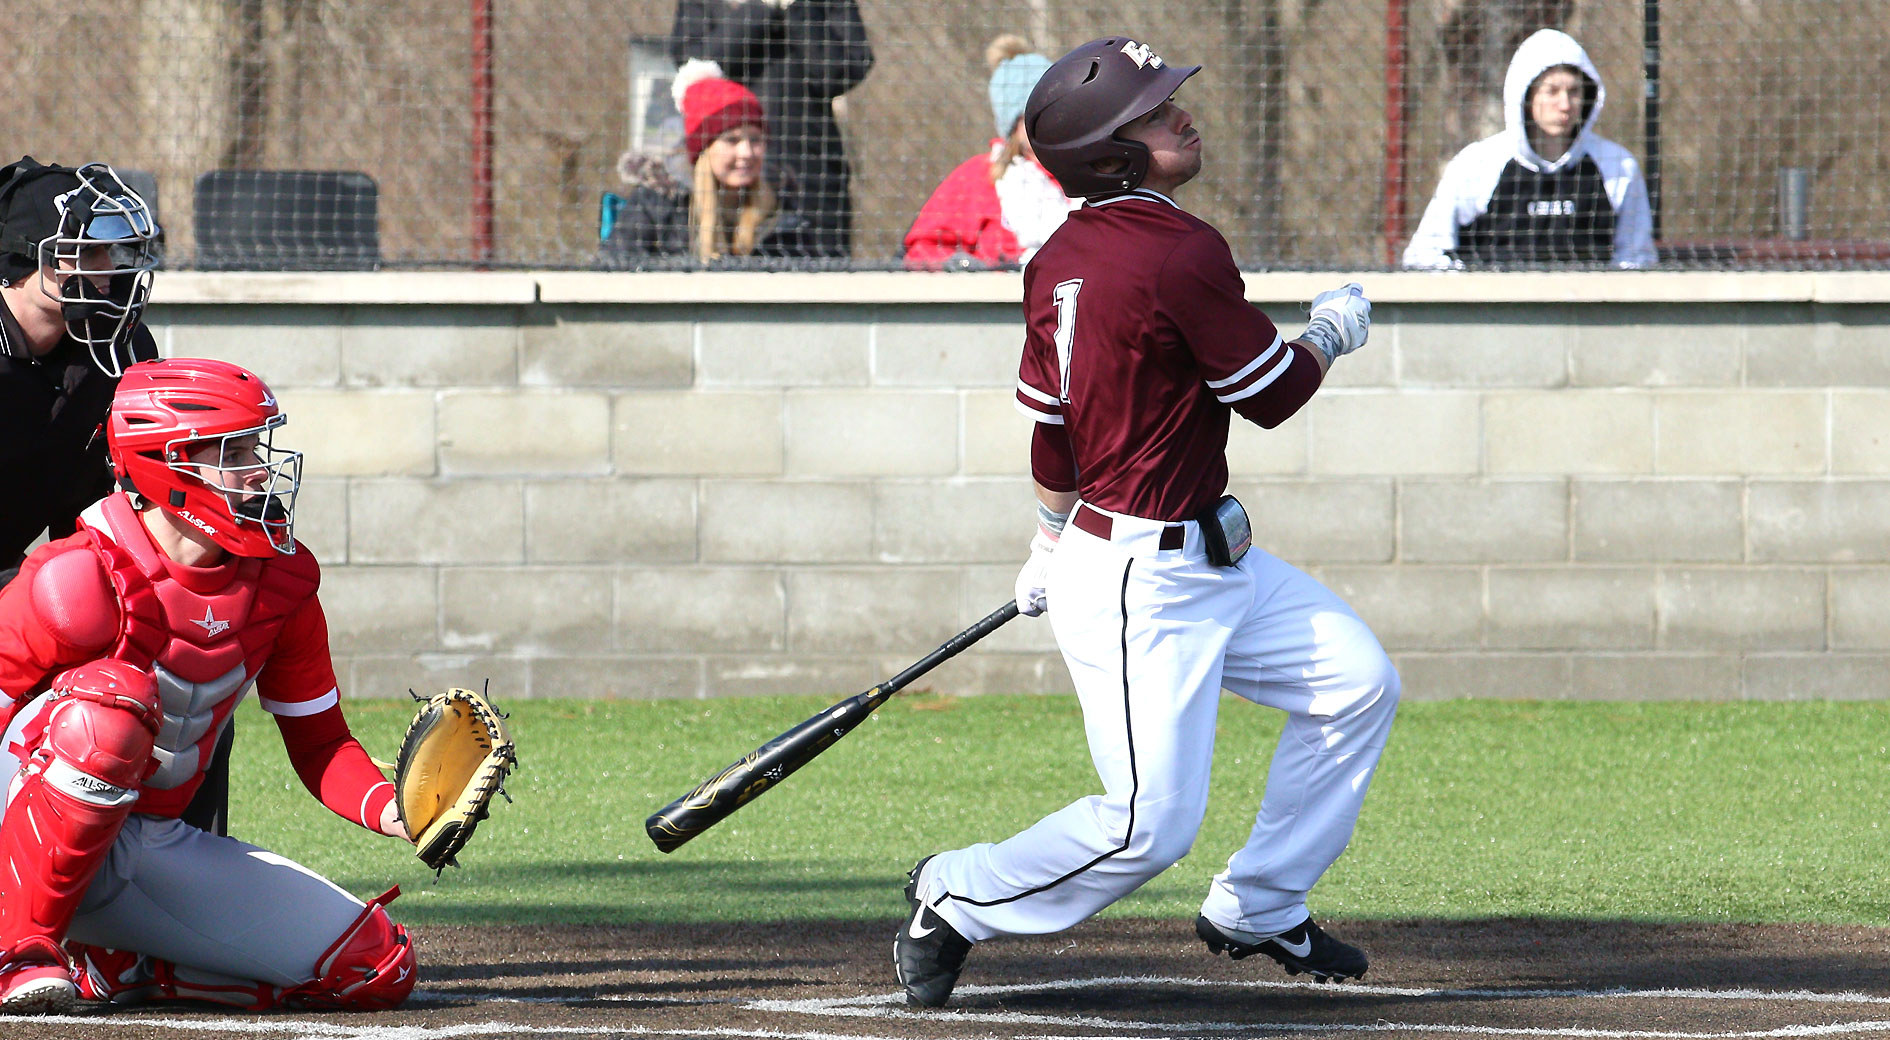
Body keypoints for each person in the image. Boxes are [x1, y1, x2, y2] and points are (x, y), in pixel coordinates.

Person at [892, 36, 1401, 1009]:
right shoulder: (1181, 251)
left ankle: (1261, 900)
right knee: (1143, 827)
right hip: (1141, 579)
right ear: (1112, 154)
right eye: (1157, 113)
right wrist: (1332, 329)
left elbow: (1051, 439)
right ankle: (956, 889)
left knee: (1354, 680)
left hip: (1204, 554)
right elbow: (1276, 393)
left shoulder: (1055, 259)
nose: (1182, 116)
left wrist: (1046, 536)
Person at [0, 357, 417, 1014]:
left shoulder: (280, 584)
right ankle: (18, 949)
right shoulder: (74, 575)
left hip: (142, 843)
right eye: (235, 450)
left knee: (374, 968)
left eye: (258, 446)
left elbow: (321, 744)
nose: (259, 468)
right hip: (15, 828)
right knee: (109, 707)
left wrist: (397, 809)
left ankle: (118, 966)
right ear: (166, 465)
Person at [0, 158, 159, 587]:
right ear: (23, 258)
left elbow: (91, 509)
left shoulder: (116, 347)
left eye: (108, 249)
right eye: (86, 250)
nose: (107, 267)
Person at [1402, 28, 1655, 268]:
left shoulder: (1617, 165)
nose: (1565, 104)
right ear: (1526, 96)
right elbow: (1425, 254)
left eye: (1574, 91)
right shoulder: (1477, 164)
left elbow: (1636, 257)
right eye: (1552, 91)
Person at [668, 0, 873, 259]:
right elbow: (694, 68)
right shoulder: (663, 203)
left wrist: (795, 8)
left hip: (811, 176)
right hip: (717, 179)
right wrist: (760, 8)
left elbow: (840, 72)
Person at [600, 59, 814, 268]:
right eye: (732, 140)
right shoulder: (657, 201)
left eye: (755, 139)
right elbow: (611, 269)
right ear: (703, 149)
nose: (746, 152)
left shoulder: (783, 206)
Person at [903, 36, 1079, 270]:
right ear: (1012, 123)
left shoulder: (1090, 173)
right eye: (1032, 113)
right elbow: (922, 249)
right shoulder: (980, 176)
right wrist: (959, 267)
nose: (1047, 120)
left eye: (1055, 109)